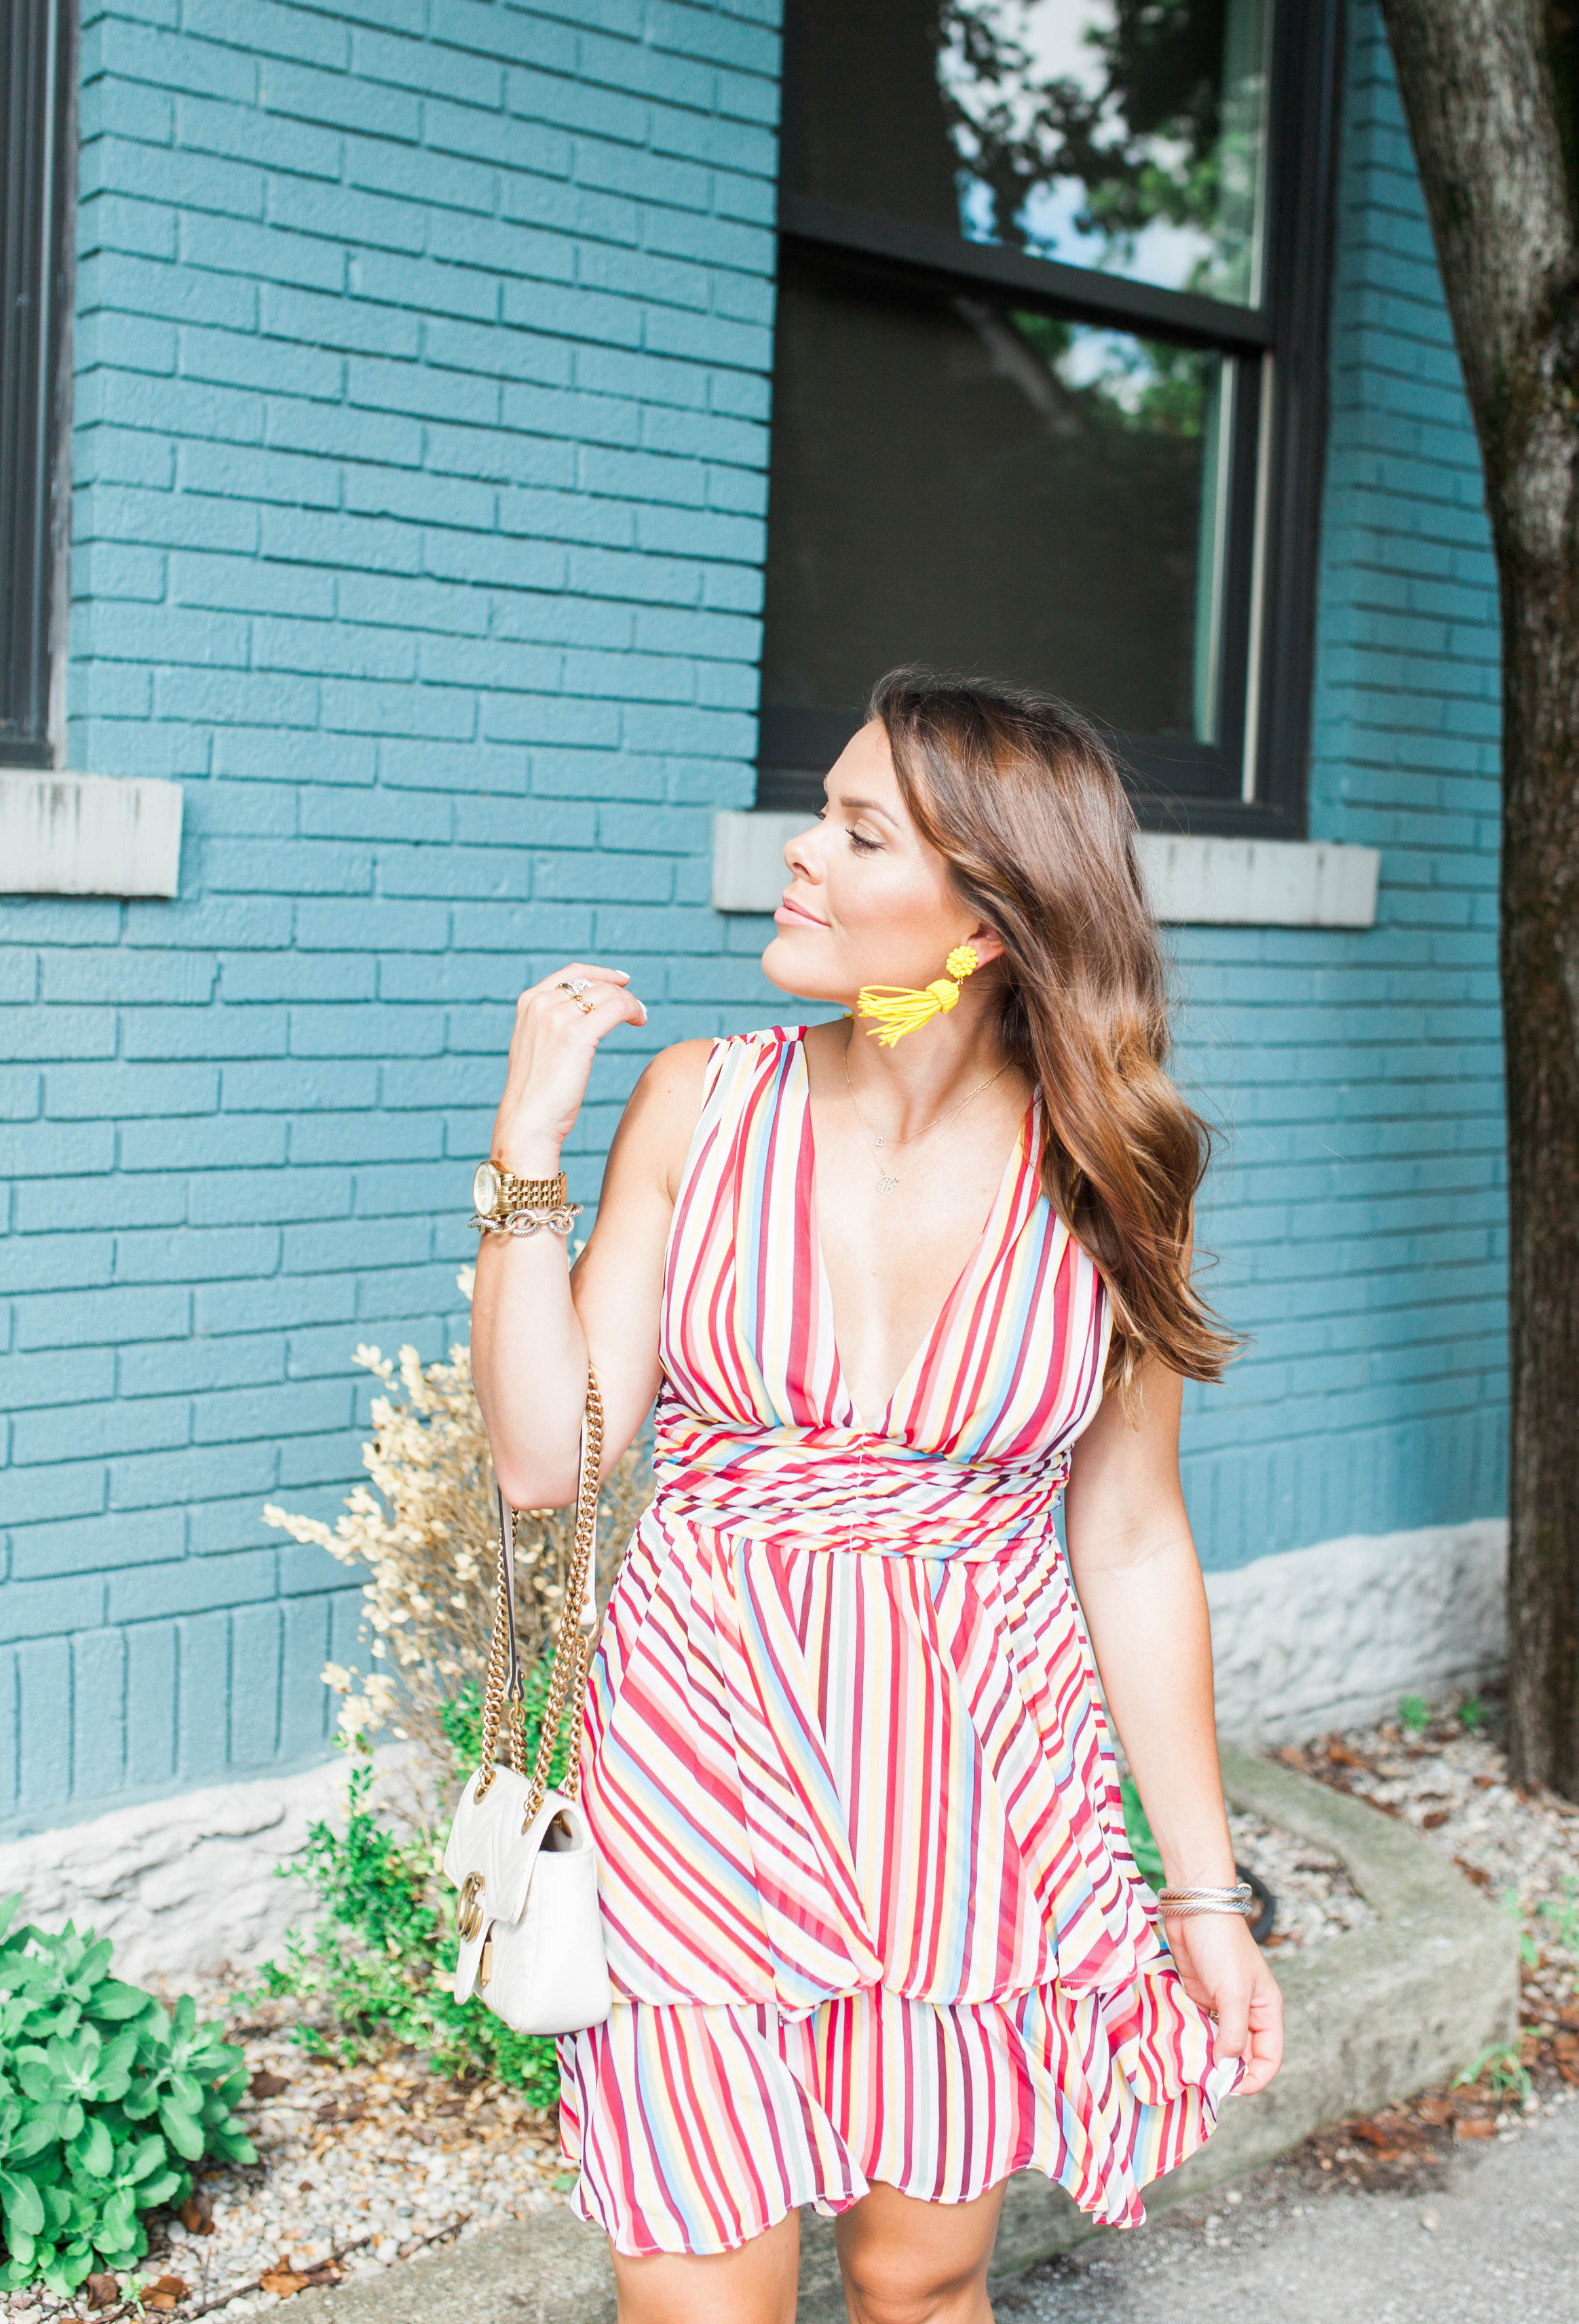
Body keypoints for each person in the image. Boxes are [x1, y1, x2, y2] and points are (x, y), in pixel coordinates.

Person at [470, 668, 1283, 2324]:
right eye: (816, 815)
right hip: (698, 1753)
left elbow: (1128, 1541)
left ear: (988, 912)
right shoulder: (702, 1100)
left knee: (923, 2283)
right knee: (700, 2292)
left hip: (972, 1786)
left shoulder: (1112, 1170)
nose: (800, 857)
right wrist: (526, 1153)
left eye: (856, 830)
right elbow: (547, 1457)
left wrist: (1197, 1892)